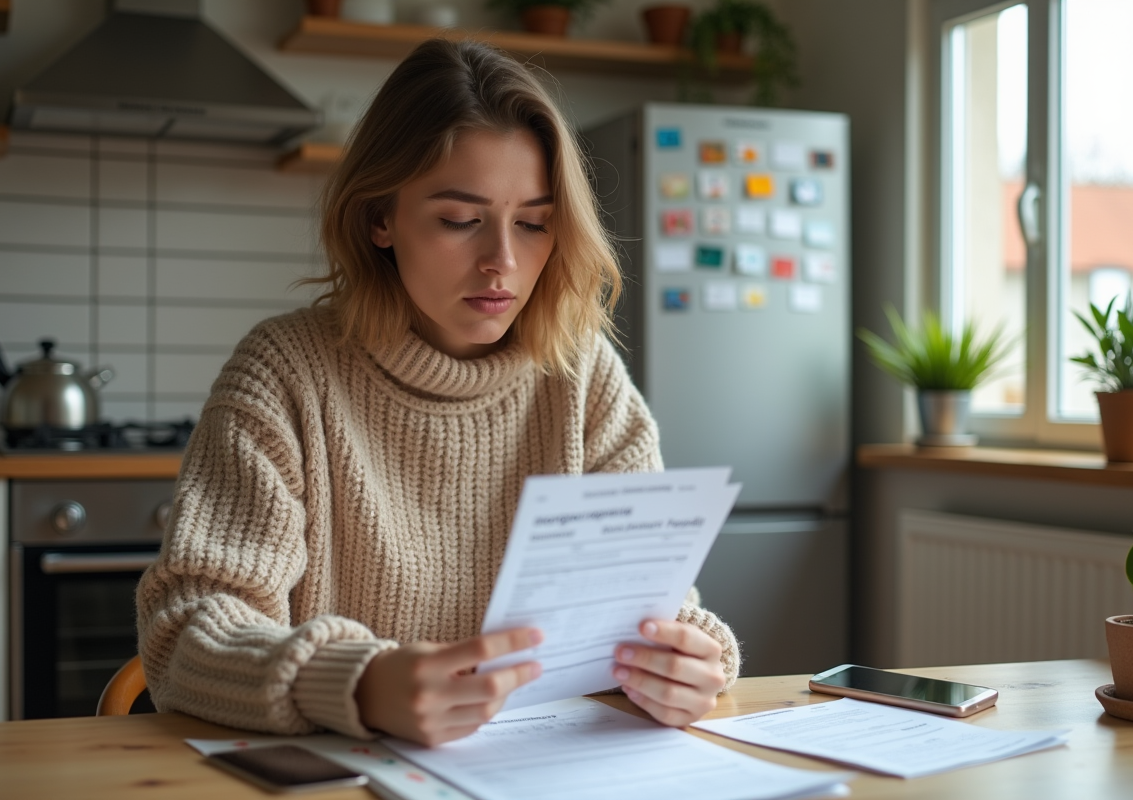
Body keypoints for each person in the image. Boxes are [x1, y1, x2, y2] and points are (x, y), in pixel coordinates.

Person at [136, 38, 739, 747]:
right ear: (379, 219)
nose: (503, 263)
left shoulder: (584, 378)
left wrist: (690, 657)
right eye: (460, 220)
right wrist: (356, 683)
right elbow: (187, 631)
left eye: (535, 223)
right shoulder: (285, 372)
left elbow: (643, 608)